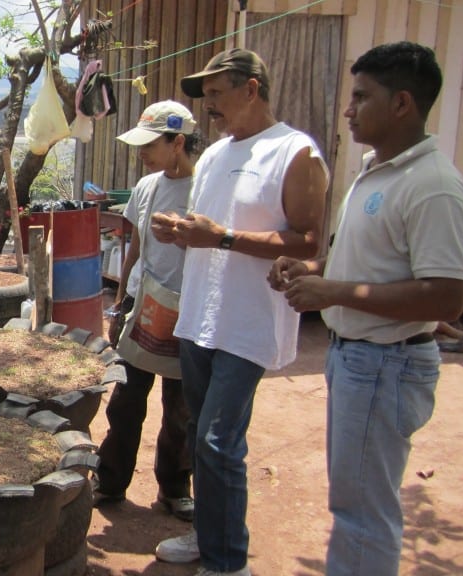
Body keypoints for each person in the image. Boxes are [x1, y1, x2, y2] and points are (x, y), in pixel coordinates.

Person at [268, 41, 463, 576]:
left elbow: (447, 296)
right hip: (361, 360)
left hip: (386, 364)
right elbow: (368, 262)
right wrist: (310, 270)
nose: (348, 109)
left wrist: (331, 294)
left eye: (361, 97)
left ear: (402, 103)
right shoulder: (377, 172)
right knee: (355, 506)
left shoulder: (432, 187)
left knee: (362, 515)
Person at [150, 48, 330, 576]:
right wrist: (181, 233)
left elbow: (308, 243)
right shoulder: (214, 155)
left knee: (218, 441)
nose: (208, 104)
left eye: (216, 92)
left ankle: (229, 563)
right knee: (199, 436)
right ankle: (208, 535)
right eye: (205, 95)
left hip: (247, 322)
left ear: (251, 89)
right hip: (201, 315)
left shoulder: (295, 152)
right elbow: (206, 232)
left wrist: (222, 237)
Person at [94, 100, 199, 522]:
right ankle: (111, 479)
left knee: (181, 408)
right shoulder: (147, 187)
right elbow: (134, 246)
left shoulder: (205, 188)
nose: (141, 153)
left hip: (188, 310)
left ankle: (175, 488)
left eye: (149, 145)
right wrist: (121, 298)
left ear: (177, 142)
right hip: (144, 305)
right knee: (126, 400)